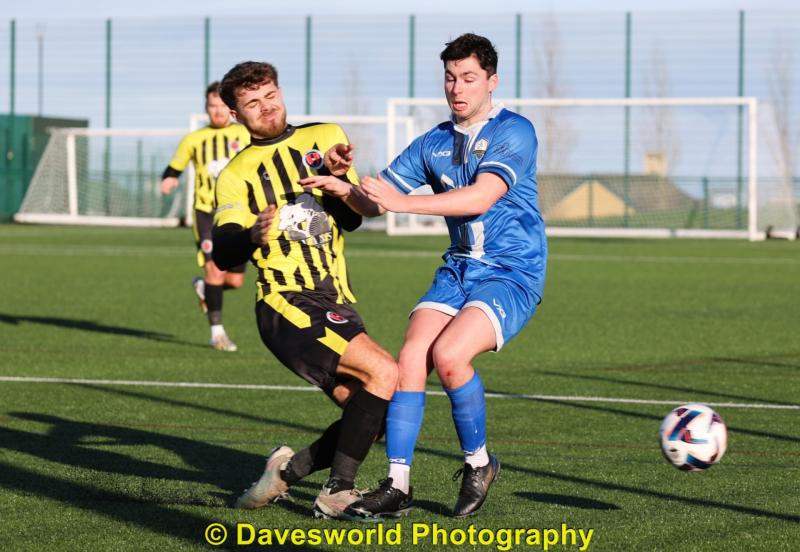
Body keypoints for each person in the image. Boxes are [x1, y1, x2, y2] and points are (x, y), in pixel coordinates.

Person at [302, 33, 547, 519]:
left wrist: (401, 204)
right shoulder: (432, 142)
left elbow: (479, 197)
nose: (458, 88)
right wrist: (341, 187)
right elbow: (375, 201)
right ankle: (398, 484)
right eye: (451, 78)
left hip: (511, 270)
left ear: (492, 82)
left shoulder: (515, 132)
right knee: (411, 356)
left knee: (450, 355)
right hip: (458, 269)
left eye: (469, 78)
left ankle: (479, 464)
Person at [211, 61, 399, 520]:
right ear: (237, 115)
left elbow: (356, 217)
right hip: (285, 303)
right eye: (252, 103)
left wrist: (338, 184)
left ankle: (286, 473)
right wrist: (252, 235)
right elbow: (223, 252)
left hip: (334, 300)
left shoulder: (323, 136)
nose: (265, 107)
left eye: (270, 94)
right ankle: (338, 491)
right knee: (385, 372)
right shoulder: (236, 174)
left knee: (374, 420)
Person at [160, 82, 250, 352]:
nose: (217, 111)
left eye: (222, 105)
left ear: (231, 107)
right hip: (206, 214)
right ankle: (217, 334)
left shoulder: (245, 134)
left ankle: (204, 288)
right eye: (212, 106)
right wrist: (168, 179)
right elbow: (173, 167)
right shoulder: (194, 139)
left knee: (234, 280)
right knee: (213, 269)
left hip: (239, 213)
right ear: (206, 108)